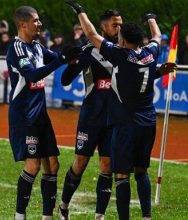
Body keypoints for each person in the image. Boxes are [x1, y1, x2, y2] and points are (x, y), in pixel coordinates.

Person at [66, 2, 176, 219]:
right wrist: (151, 17)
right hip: (148, 122)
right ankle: (146, 216)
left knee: (122, 176)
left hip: (126, 124)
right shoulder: (151, 53)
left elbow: (91, 34)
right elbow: (158, 36)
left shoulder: (120, 55)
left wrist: (80, 11)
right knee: (142, 171)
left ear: (123, 40)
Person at [6, 5, 81, 220]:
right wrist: (62, 60)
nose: (39, 24)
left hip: (40, 115)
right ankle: (19, 216)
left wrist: (74, 51)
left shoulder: (37, 47)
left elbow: (55, 57)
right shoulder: (16, 48)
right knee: (33, 165)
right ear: (23, 24)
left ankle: (47, 217)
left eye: (39, 20)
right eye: (36, 21)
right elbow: (32, 75)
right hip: (24, 116)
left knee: (53, 165)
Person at [57, 9, 122, 220]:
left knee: (107, 165)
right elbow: (65, 80)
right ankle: (64, 205)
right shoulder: (89, 49)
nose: (119, 28)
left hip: (113, 118)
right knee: (81, 162)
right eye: (115, 25)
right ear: (102, 27)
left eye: (120, 24)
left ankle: (99, 216)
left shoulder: (125, 48)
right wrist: (72, 62)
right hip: (91, 116)